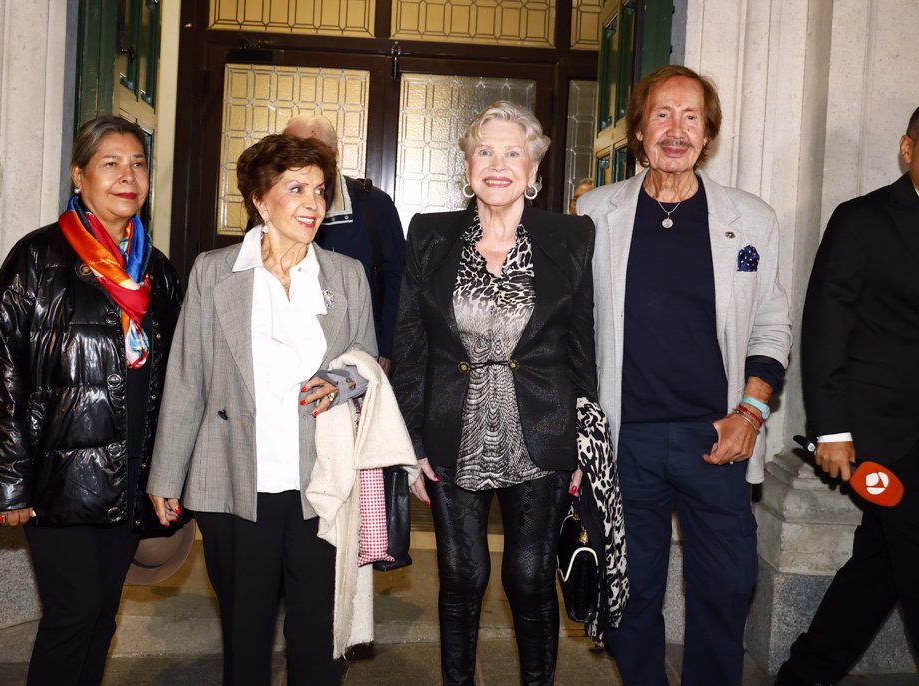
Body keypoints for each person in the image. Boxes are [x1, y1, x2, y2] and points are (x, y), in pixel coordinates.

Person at [576, 65, 792, 686]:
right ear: (639, 132)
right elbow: (573, 328)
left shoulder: (751, 221)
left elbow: (772, 325)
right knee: (630, 592)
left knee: (728, 588)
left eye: (691, 117)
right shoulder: (593, 215)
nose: (676, 130)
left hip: (718, 437)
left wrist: (751, 413)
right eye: (662, 116)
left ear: (708, 134)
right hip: (626, 440)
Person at [146, 134, 378, 686]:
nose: (312, 204)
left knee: (319, 638)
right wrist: (166, 476)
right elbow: (187, 378)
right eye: (295, 188)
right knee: (244, 637)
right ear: (258, 197)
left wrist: (344, 381)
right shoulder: (213, 271)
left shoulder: (345, 276)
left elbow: (369, 364)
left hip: (319, 487)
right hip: (232, 482)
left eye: (321, 191)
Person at [0, 115, 183, 686]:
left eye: (138, 164)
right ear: (79, 175)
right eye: (110, 163)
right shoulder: (37, 260)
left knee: (101, 619)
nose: (127, 176)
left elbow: (177, 382)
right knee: (71, 617)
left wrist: (169, 474)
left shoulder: (158, 272)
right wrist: (7, 484)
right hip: (57, 478)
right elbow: (1, 377)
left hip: (129, 475)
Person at [393, 101, 598, 685]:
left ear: (535, 170)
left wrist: (586, 440)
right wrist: (409, 438)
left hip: (543, 426)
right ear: (467, 165)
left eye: (514, 152)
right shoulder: (429, 234)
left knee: (531, 576)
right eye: (485, 151)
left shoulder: (571, 236)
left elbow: (582, 345)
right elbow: (409, 344)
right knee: (461, 574)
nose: (499, 164)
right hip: (450, 427)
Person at [775, 107, 919, 686]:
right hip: (884, 438)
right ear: (908, 149)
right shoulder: (862, 220)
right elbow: (826, 326)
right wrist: (832, 429)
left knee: (878, 572)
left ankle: (803, 677)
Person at [284, 115, 405, 374]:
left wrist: (386, 348)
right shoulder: (272, 205)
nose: (298, 157)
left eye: (309, 149)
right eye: (288, 148)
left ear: (334, 154)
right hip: (287, 348)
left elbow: (398, 279)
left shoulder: (374, 205)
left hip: (356, 351)